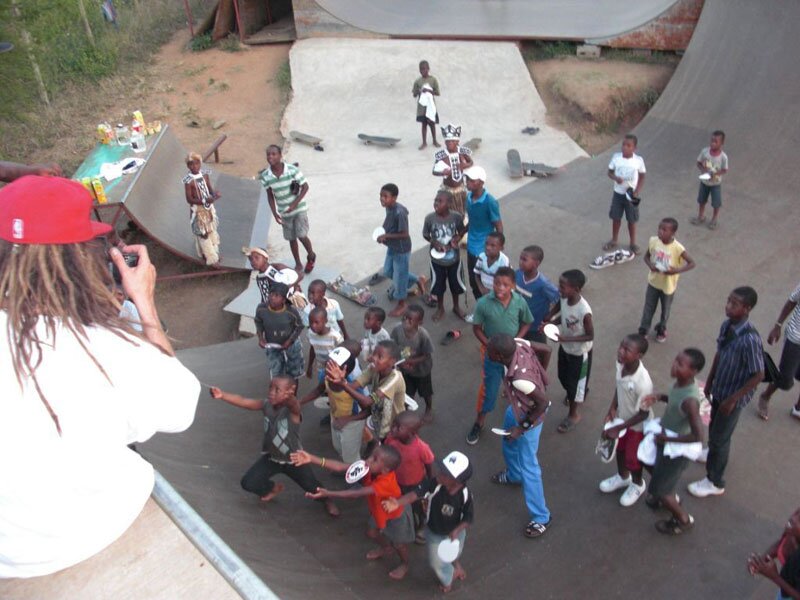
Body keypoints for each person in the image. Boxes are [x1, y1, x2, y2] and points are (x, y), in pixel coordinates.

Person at [0, 176, 198, 577]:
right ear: (78, 260)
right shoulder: (106, 347)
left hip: (10, 551)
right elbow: (181, 409)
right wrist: (143, 300)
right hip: (99, 525)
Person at [209, 376, 339, 517]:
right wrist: (223, 395)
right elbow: (244, 401)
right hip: (272, 458)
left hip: (295, 460)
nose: (271, 392)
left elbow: (295, 405)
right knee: (248, 483)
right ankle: (272, 488)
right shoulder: (266, 405)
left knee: (312, 486)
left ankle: (327, 500)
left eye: (277, 390)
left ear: (290, 392)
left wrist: (290, 398)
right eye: (270, 387)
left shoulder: (292, 412)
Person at [292, 445, 415, 581]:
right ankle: (386, 548)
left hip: (396, 516)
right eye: (370, 456)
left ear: (385, 470)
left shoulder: (385, 482)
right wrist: (312, 459)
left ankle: (405, 564)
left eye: (374, 459)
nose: (367, 460)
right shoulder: (368, 468)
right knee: (371, 533)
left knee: (400, 544)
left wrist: (329, 493)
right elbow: (340, 467)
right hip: (379, 511)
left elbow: (355, 493)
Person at [688, 286, 764, 498]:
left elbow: (758, 374)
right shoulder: (727, 326)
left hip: (732, 397)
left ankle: (715, 481)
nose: (728, 306)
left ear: (747, 309)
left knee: (721, 438)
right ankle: (711, 451)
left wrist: (733, 399)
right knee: (715, 426)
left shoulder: (750, 339)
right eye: (728, 301)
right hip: (720, 389)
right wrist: (710, 381)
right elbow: (719, 354)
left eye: (734, 304)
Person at [486, 334, 553, 538]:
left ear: (498, 356)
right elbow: (547, 350)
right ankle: (514, 475)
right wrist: (540, 373)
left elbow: (543, 404)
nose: (486, 350)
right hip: (517, 406)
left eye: (489, 350)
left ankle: (542, 517)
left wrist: (522, 428)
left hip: (530, 415)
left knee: (529, 465)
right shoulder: (518, 343)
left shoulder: (520, 380)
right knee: (507, 438)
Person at [382, 451, 474, 593]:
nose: (439, 472)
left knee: (453, 553)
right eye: (441, 468)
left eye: (445, 473)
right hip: (434, 532)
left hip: (456, 534)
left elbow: (468, 517)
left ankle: (455, 565)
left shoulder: (465, 495)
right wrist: (398, 502)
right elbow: (416, 494)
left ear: (456, 481)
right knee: (436, 563)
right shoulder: (434, 484)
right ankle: (447, 579)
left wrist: (457, 530)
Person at [640, 348, 705, 535]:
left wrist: (667, 438)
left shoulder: (690, 401)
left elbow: (698, 435)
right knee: (648, 460)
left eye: (680, 364)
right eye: (676, 360)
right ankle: (667, 492)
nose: (674, 365)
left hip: (677, 448)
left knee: (660, 490)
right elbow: (676, 403)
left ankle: (682, 519)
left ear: (693, 372)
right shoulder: (680, 384)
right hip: (667, 438)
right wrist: (660, 397)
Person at [466, 267, 533, 444]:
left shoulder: (519, 302)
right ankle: (479, 422)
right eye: (497, 283)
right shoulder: (483, 303)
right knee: (489, 391)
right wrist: (489, 345)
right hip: (493, 357)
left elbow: (527, 322)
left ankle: (521, 425)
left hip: (514, 355)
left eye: (505, 284)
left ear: (513, 286)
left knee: (517, 387)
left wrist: (517, 339)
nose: (500, 288)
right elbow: (477, 328)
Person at [599, 334, 653, 507]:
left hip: (637, 427)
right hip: (622, 420)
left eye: (627, 350)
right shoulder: (621, 364)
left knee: (633, 458)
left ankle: (638, 484)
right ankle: (623, 477)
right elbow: (619, 385)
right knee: (619, 450)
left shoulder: (643, 383)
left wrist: (620, 427)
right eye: (621, 346)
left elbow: (643, 414)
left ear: (639, 356)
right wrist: (612, 408)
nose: (621, 351)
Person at [542, 269, 594, 433]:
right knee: (562, 377)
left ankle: (573, 414)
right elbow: (560, 309)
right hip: (566, 349)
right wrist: (550, 320)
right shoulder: (565, 298)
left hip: (580, 354)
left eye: (563, 287)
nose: (559, 289)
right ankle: (579, 391)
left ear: (576, 289)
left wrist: (566, 339)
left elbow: (590, 335)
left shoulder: (584, 311)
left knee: (574, 387)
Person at [327, 339, 406, 442]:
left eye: (380, 357)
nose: (373, 358)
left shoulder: (395, 379)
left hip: (394, 425)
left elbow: (367, 401)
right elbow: (354, 386)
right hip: (380, 417)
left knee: (392, 448)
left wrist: (343, 384)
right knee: (382, 441)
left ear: (392, 361)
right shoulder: (373, 369)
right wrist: (340, 380)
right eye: (374, 354)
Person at [301, 342, 366, 464]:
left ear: (344, 372)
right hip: (335, 416)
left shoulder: (353, 388)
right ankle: (344, 467)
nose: (326, 366)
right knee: (338, 446)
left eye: (332, 365)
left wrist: (348, 420)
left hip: (352, 422)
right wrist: (300, 402)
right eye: (328, 362)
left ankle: (356, 476)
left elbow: (367, 410)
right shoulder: (325, 376)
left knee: (351, 455)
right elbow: (319, 390)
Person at [258, 144, 316, 273]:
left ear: (280, 155)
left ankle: (311, 255)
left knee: (301, 235)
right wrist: (275, 213)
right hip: (284, 212)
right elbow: (270, 195)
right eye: (268, 154)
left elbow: (305, 186)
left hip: (299, 208)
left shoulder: (292, 170)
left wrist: (294, 204)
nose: (270, 157)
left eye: (273, 154)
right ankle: (298, 264)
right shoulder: (266, 176)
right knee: (291, 238)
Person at [638, 217, 696, 343]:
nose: (660, 231)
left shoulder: (678, 248)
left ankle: (661, 329)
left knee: (665, 310)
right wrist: (650, 266)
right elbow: (646, 257)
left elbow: (692, 263)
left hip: (668, 286)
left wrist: (676, 271)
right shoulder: (653, 241)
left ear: (673, 233)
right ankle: (644, 329)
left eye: (664, 230)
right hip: (654, 282)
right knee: (648, 307)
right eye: (660, 228)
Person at [376, 183, 426, 317]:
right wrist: (382, 233)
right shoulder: (389, 208)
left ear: (394, 198)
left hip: (401, 250)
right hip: (392, 246)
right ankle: (417, 280)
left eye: (385, 196)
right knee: (387, 271)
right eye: (381, 196)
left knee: (399, 277)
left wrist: (386, 235)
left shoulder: (400, 212)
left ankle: (402, 304)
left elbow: (405, 234)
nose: (382, 199)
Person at [384, 412, 435, 544]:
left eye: (398, 427)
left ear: (412, 433)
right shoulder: (391, 440)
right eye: (393, 424)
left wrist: (430, 483)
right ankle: (411, 525)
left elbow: (429, 465)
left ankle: (423, 525)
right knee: (406, 507)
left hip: (417, 485)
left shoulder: (421, 448)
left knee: (420, 507)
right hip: (398, 482)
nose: (393, 429)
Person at [422, 189, 467, 322]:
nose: (436, 203)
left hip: (454, 259)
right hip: (436, 261)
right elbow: (425, 234)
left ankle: (456, 306)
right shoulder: (429, 218)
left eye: (440, 201)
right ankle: (440, 308)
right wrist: (434, 242)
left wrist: (456, 240)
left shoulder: (456, 217)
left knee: (455, 284)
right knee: (439, 286)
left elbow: (461, 231)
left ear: (449, 203)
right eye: (435, 200)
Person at [757, 282, 800, 421]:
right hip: (796, 336)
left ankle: (798, 408)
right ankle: (765, 396)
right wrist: (778, 325)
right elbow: (792, 301)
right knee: (786, 377)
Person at [463, 166, 502, 302]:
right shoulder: (468, 198)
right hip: (471, 246)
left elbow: (498, 226)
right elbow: (472, 221)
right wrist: (459, 234)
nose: (467, 182)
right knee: (474, 280)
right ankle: (480, 308)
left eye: (471, 180)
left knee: (486, 282)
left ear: (481, 183)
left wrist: (498, 249)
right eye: (467, 179)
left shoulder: (490, 201)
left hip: (485, 249)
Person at [254, 282, 305, 382]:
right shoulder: (261, 309)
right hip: (272, 345)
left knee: (294, 373)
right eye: (271, 294)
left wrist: (290, 341)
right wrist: (261, 338)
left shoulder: (291, 312)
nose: (272, 297)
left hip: (291, 345)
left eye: (277, 296)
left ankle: (292, 394)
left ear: (283, 299)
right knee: (276, 374)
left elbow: (299, 326)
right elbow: (258, 322)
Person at [391, 305, 435, 420]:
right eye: (404, 317)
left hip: (422, 371)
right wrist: (400, 363)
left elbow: (426, 355)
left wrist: (411, 362)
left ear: (420, 322)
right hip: (405, 370)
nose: (406, 321)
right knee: (407, 393)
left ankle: (429, 408)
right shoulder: (397, 330)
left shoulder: (423, 335)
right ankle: (408, 411)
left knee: (425, 392)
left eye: (410, 319)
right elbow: (393, 348)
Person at [605, 134, 646, 254]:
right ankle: (614, 240)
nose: (625, 147)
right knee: (616, 217)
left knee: (632, 219)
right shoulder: (616, 158)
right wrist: (615, 178)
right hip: (618, 193)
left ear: (634, 148)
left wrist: (637, 191)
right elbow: (609, 172)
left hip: (631, 194)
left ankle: (633, 243)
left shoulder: (638, 160)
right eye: (623, 144)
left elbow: (642, 176)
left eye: (629, 145)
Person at [748, 507, 800, 599]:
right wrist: (761, 561)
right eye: (797, 512)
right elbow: (781, 543)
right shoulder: (792, 532)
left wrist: (775, 577)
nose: (793, 518)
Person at [515, 245, 559, 344]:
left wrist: (550, 315)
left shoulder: (544, 284)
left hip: (535, 327)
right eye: (520, 258)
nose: (520, 262)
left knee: (537, 350)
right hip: (517, 321)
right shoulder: (517, 274)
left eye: (524, 259)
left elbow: (559, 299)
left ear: (536, 264)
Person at [182, 152, 221, 266]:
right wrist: (204, 201)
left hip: (208, 209)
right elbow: (189, 199)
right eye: (191, 164)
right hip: (197, 211)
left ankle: (214, 253)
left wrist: (215, 195)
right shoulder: (188, 180)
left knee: (211, 230)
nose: (194, 167)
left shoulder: (205, 175)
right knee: (202, 233)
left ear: (200, 163)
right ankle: (211, 258)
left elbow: (209, 189)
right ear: (188, 166)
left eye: (196, 164)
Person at [690, 130, 729, 230]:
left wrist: (715, 174)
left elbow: (725, 170)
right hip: (704, 182)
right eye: (712, 140)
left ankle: (714, 219)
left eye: (716, 141)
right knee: (701, 200)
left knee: (716, 202)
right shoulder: (705, 152)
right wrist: (703, 170)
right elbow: (698, 162)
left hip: (716, 184)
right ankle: (701, 216)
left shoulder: (723, 157)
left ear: (721, 143)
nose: (713, 143)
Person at [432, 124, 473, 215]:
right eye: (448, 141)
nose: (450, 143)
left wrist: (465, 165)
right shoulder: (441, 155)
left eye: (452, 141)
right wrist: (442, 172)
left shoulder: (462, 152)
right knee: (449, 212)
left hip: (460, 188)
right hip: (448, 189)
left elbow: (471, 162)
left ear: (457, 141)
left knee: (463, 211)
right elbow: (434, 171)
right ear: (445, 142)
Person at [306, 306, 344, 382]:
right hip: (321, 369)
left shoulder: (335, 336)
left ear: (325, 321)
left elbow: (342, 353)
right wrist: (309, 366)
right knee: (322, 387)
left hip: (335, 369)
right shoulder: (310, 334)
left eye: (317, 322)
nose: (313, 326)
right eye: (311, 322)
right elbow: (313, 349)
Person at [412, 60, 440, 150]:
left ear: (428, 69)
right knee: (424, 124)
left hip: (431, 106)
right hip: (422, 107)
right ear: (419, 70)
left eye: (425, 69)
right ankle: (424, 142)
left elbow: (438, 93)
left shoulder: (433, 80)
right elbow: (414, 94)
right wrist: (419, 91)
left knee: (432, 124)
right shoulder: (418, 81)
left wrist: (429, 91)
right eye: (421, 69)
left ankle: (434, 141)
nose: (423, 71)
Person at [473, 231, 510, 298]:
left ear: (501, 248)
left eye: (493, 245)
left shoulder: (504, 261)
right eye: (486, 244)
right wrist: (481, 288)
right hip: (484, 291)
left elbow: (506, 281)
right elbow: (477, 274)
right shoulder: (481, 257)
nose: (488, 247)